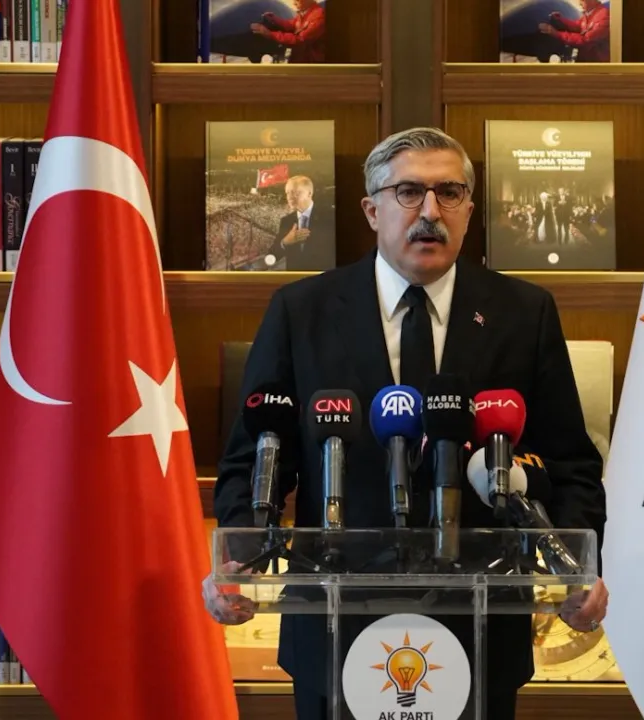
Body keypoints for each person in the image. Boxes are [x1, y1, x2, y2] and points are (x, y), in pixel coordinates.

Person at [205, 127, 608, 719]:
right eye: (409, 193)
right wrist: (238, 554)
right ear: (372, 211)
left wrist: (579, 568)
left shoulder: (524, 312)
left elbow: (570, 460)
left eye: (449, 193)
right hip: (336, 619)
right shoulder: (301, 310)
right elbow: (257, 453)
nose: (430, 212)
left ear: (469, 209)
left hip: (480, 626)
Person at [272, 175, 335, 270]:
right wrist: (285, 242)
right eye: (287, 193)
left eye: (295, 192)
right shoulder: (286, 221)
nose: (290, 197)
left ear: (309, 193)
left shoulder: (330, 216)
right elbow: (272, 256)